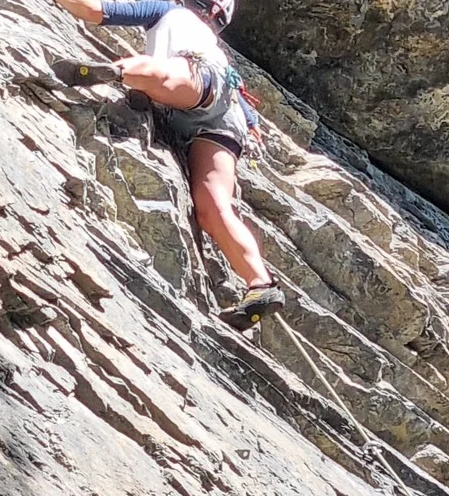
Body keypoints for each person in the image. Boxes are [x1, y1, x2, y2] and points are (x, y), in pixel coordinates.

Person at [50, 0, 285, 326]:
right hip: (224, 117)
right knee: (213, 207)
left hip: (195, 80)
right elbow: (246, 112)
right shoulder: (217, 46)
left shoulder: (167, 10)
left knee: (164, 72)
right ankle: (261, 285)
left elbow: (94, 10)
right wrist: (252, 125)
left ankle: (119, 72)